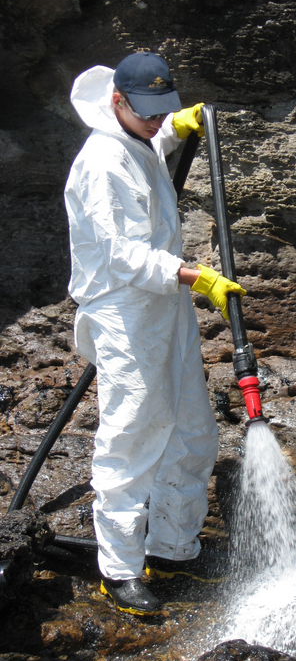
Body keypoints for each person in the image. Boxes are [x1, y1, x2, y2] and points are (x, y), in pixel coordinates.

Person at [64, 51, 246, 615]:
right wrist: (193, 277)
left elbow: (146, 143)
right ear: (117, 100)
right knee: (132, 435)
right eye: (147, 112)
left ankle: (171, 548)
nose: (154, 120)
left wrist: (173, 128)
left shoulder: (138, 133)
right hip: (125, 310)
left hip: (164, 303)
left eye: (159, 111)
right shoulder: (99, 163)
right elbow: (120, 255)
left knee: (192, 429)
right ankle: (118, 571)